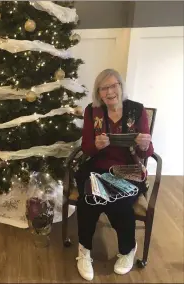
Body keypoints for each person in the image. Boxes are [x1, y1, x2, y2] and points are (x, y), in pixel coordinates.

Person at [74, 69, 154, 281]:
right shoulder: (92, 111)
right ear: (98, 93)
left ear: (121, 86)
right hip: (97, 167)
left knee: (118, 203)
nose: (109, 92)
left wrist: (145, 145)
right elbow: (86, 148)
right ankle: (84, 250)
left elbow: (148, 152)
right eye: (104, 88)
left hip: (127, 170)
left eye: (113, 85)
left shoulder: (137, 110)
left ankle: (128, 249)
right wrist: (96, 145)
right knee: (89, 201)